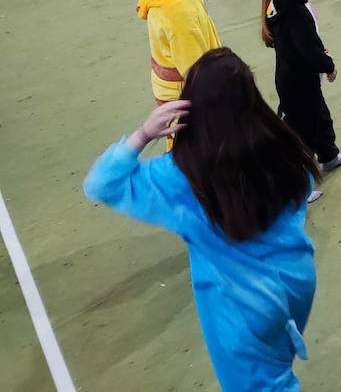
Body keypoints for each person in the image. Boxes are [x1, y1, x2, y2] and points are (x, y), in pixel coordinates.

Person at [83, 49, 319, 391]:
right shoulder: (284, 147)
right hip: (297, 280)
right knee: (277, 368)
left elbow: (102, 183)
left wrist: (143, 134)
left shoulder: (180, 177)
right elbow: (304, 187)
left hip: (242, 305)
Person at [261, 0, 341, 193]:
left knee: (319, 117)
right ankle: (298, 186)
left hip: (298, 77)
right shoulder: (292, 11)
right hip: (297, 81)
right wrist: (328, 65)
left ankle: (329, 157)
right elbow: (306, 49)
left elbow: (306, 42)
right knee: (300, 132)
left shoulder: (281, 3)